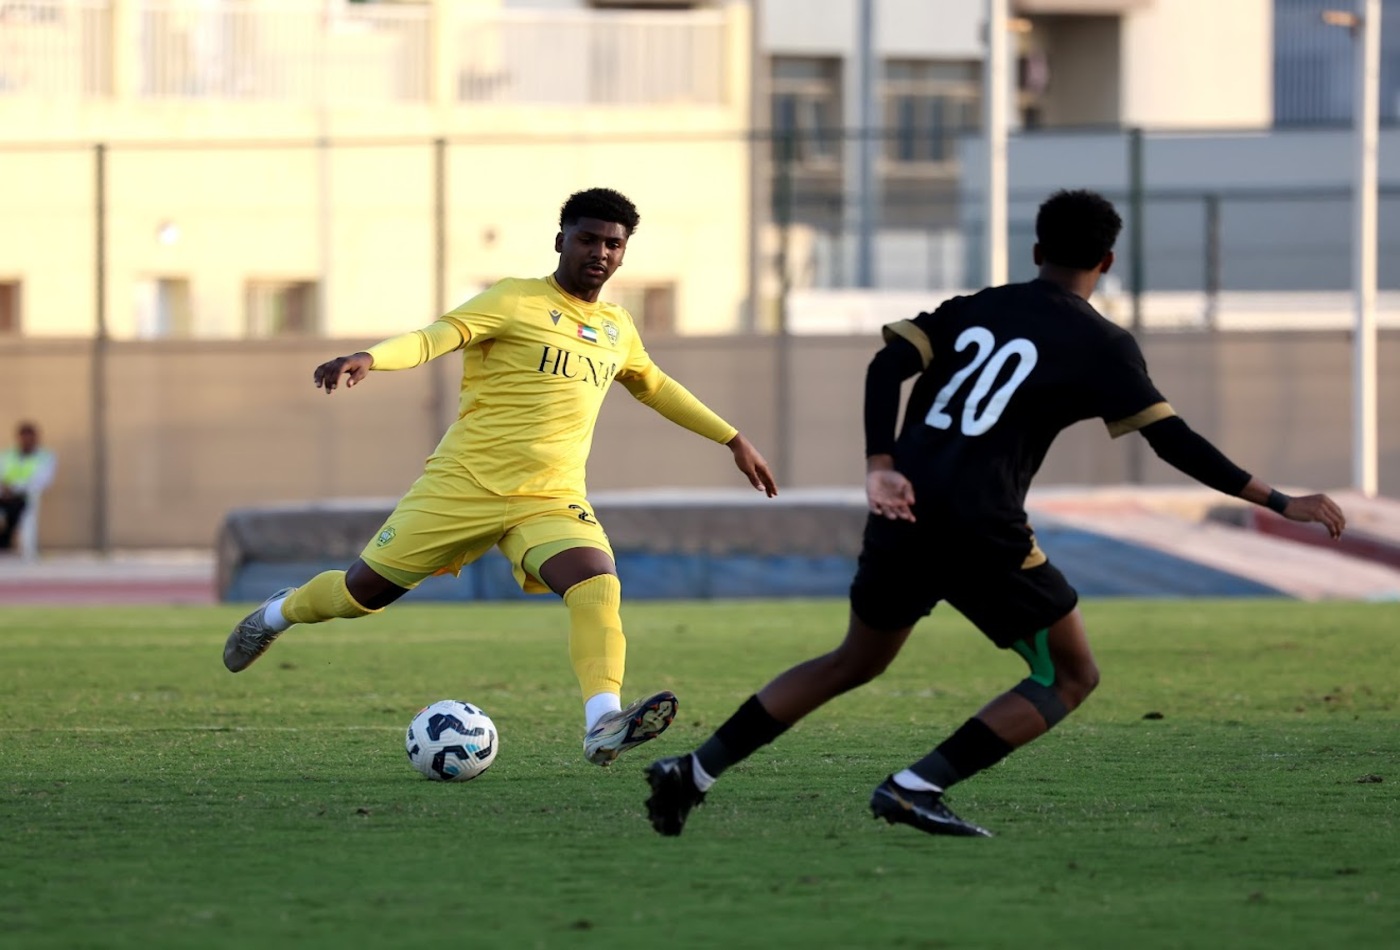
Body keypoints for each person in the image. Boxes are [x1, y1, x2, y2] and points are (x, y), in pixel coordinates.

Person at [642, 189, 1347, 838]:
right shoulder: (1101, 344)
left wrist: (880, 466)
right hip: (981, 528)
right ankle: (916, 786)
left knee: (852, 659)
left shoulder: (973, 307)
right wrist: (1283, 500)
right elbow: (1173, 443)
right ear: (1106, 261)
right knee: (1070, 676)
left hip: (902, 509)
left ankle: (693, 771)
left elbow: (885, 367)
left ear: (1036, 251)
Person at [222, 187, 778, 768]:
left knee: (596, 584)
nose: (601, 252)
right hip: (462, 486)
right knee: (359, 596)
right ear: (561, 240)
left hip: (550, 496)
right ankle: (275, 615)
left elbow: (655, 386)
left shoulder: (617, 328)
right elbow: (435, 337)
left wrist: (731, 438)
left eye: (613, 244)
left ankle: (602, 722)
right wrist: (371, 357)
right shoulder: (514, 300)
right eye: (588, 239)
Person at [1, 421, 57, 553]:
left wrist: (14, 488)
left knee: (19, 513)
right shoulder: (7, 455)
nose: (27, 441)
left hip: (25, 497)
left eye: (30, 437)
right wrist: (5, 488)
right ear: (18, 438)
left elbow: (43, 480)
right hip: (4, 495)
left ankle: (11, 544)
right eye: (24, 437)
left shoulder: (45, 457)